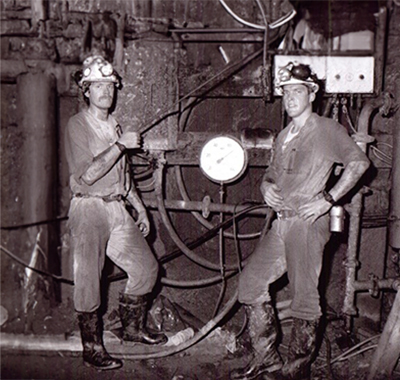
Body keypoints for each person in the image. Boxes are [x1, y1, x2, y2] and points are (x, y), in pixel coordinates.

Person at [231, 62, 370, 380]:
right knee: (250, 285)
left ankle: (295, 373)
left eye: (297, 91)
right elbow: (271, 173)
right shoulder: (283, 135)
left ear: (312, 95)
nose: (290, 97)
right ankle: (267, 359)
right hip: (282, 223)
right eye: (286, 92)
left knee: (305, 300)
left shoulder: (327, 129)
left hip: (307, 224)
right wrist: (266, 185)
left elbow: (359, 163)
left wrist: (328, 199)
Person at [65, 55, 167, 371]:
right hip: (89, 206)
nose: (105, 91)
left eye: (109, 85)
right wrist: (121, 146)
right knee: (88, 280)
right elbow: (88, 175)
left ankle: (132, 328)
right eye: (97, 85)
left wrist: (139, 208)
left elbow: (124, 177)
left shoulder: (114, 124)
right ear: (86, 91)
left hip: (116, 206)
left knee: (147, 268)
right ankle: (92, 347)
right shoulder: (78, 125)